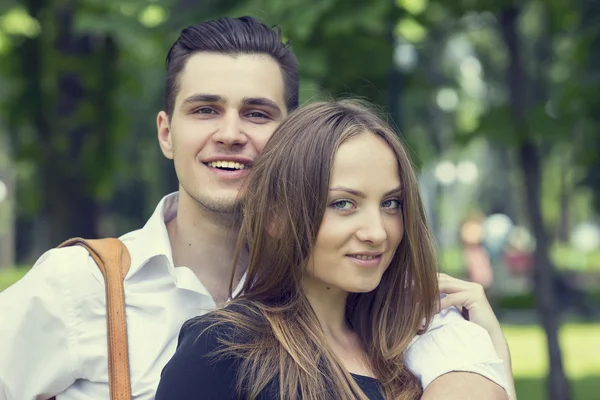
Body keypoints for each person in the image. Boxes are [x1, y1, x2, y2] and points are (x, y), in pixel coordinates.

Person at [0, 17, 513, 400]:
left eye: (257, 113)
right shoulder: (82, 287)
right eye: (204, 110)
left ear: (292, 136)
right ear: (165, 132)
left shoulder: (357, 295)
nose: (230, 134)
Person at [155, 100, 510, 400]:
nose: (376, 232)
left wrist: (490, 350)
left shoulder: (412, 349)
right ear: (276, 217)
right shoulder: (221, 350)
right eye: (343, 204)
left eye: (391, 203)